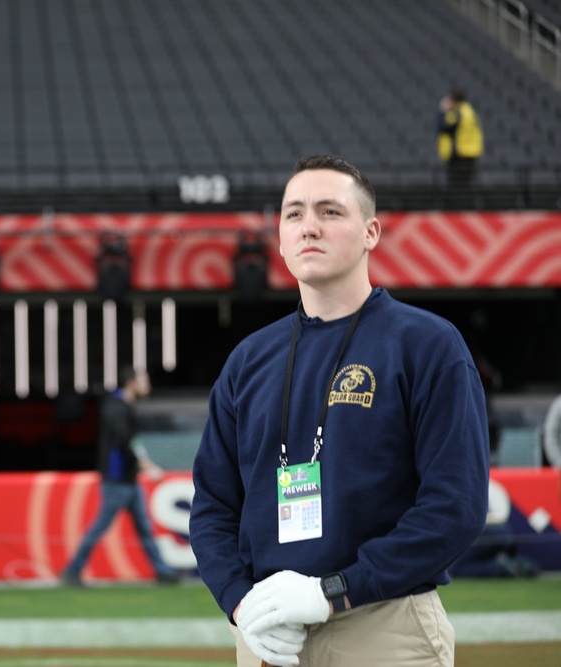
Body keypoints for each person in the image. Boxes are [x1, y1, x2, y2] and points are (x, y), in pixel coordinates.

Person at [189, 154, 489, 667]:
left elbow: (454, 508)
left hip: (384, 628)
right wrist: (239, 603)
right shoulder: (247, 361)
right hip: (270, 634)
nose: (309, 227)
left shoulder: (428, 346)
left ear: (371, 232)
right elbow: (213, 506)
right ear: (280, 239)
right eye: (294, 214)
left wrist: (337, 589)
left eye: (330, 211)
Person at [60, 366, 181, 586]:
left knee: (144, 527)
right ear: (131, 383)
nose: (147, 386)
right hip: (116, 481)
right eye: (143, 381)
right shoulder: (115, 407)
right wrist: (147, 466)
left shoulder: (122, 405)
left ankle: (162, 572)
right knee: (100, 527)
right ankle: (72, 570)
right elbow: (125, 440)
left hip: (128, 479)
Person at [436, 89, 483, 193]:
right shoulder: (469, 111)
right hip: (470, 152)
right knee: (465, 185)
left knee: (457, 188)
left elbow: (443, 127)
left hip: (460, 154)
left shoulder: (457, 113)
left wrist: (442, 111)